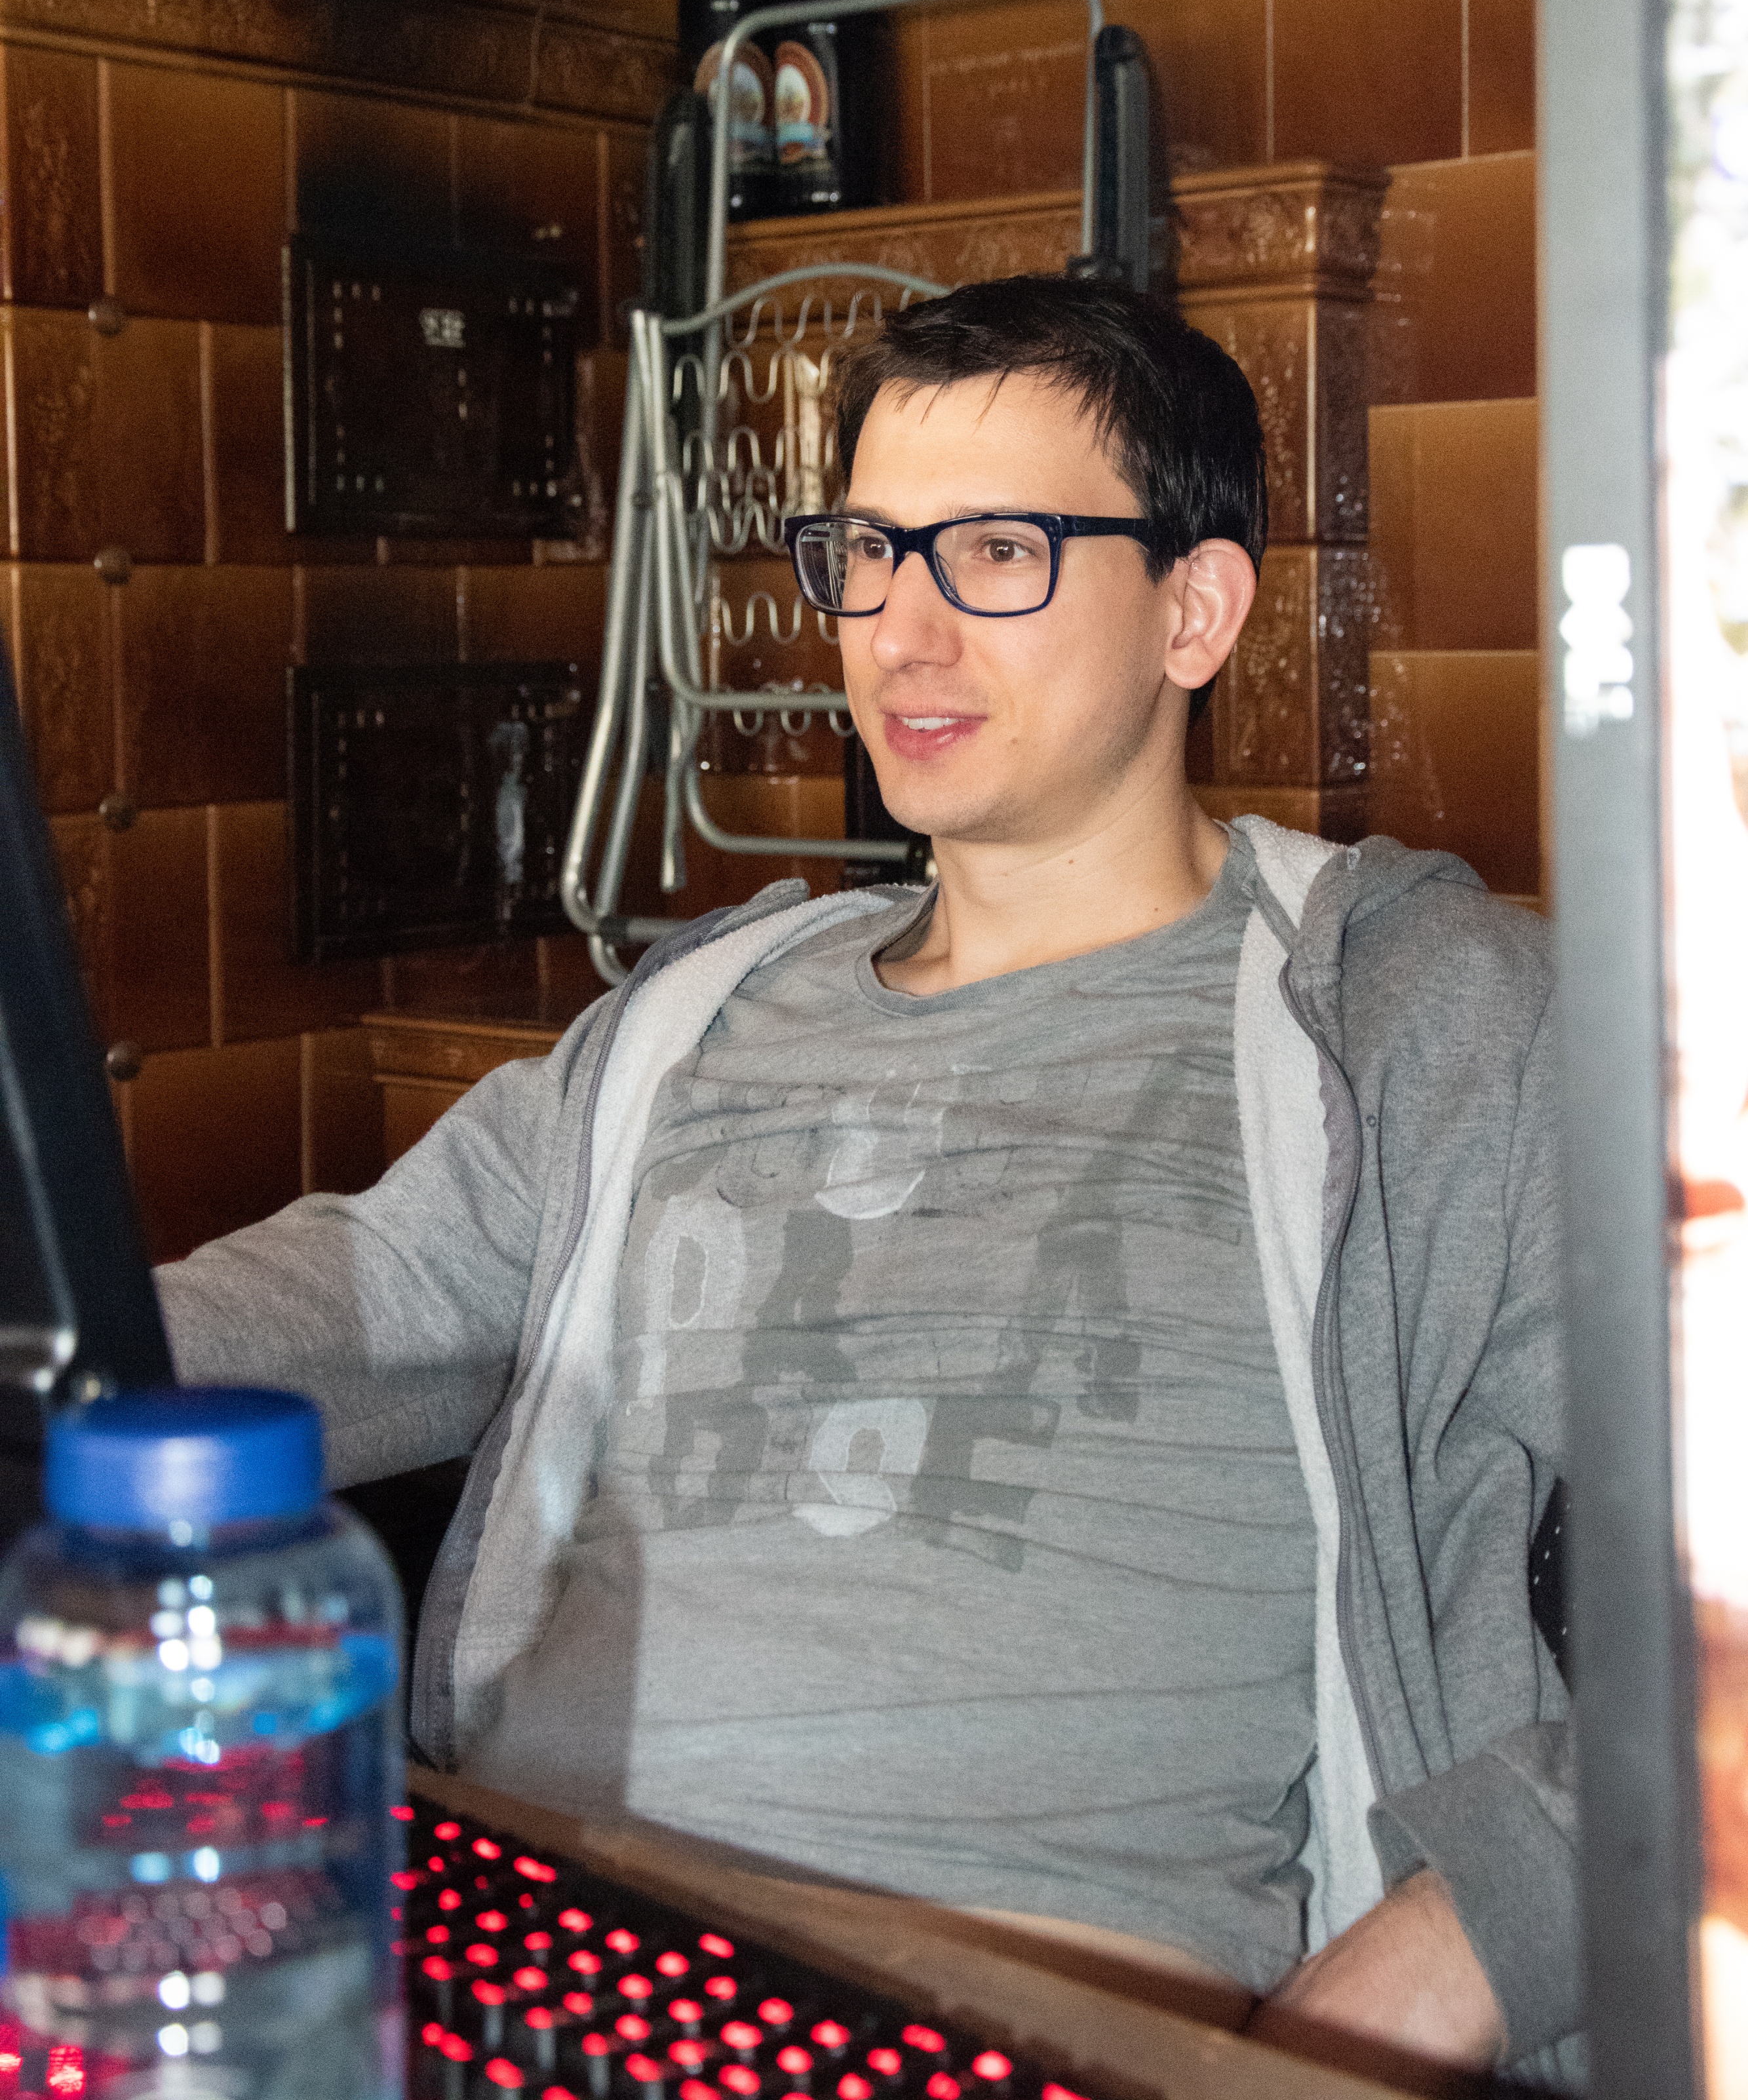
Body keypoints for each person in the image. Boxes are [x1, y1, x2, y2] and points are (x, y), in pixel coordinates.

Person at [158, 277, 1575, 2080]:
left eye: (996, 552)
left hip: (1013, 2017)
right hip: (508, 1973)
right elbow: (343, 1302)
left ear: (1194, 609)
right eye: (867, 555)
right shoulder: (694, 1014)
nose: (900, 633)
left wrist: (1424, 1976)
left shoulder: (1428, 1026)